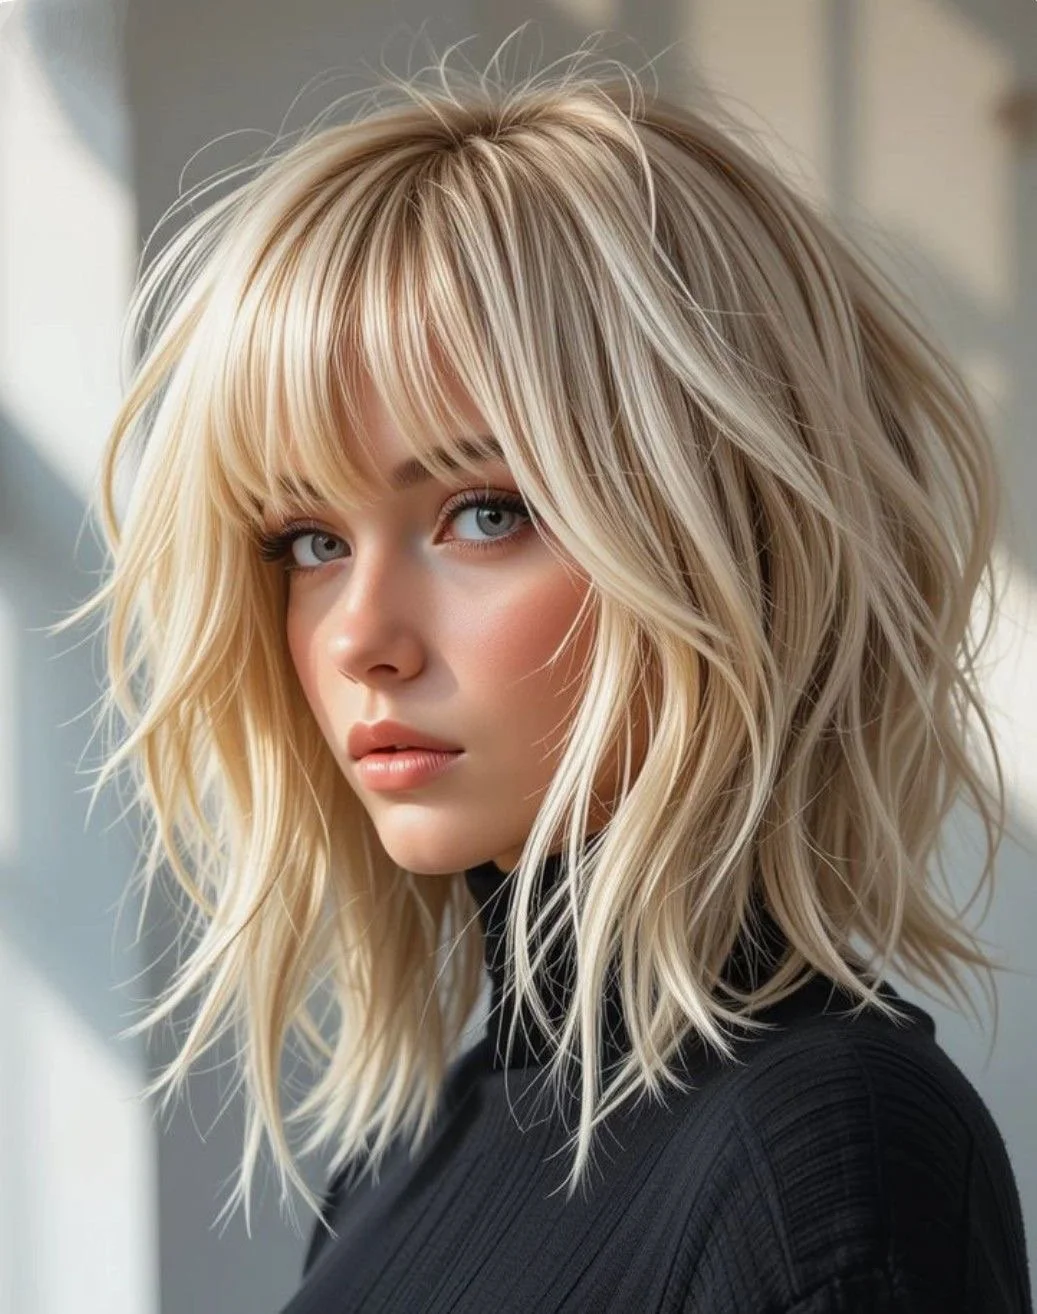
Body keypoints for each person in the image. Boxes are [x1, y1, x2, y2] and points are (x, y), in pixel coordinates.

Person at [50, 30, 1033, 1314]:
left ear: (723, 532)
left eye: (484, 512)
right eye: (307, 539)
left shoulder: (824, 1153)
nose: (358, 635)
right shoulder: (403, 1161)